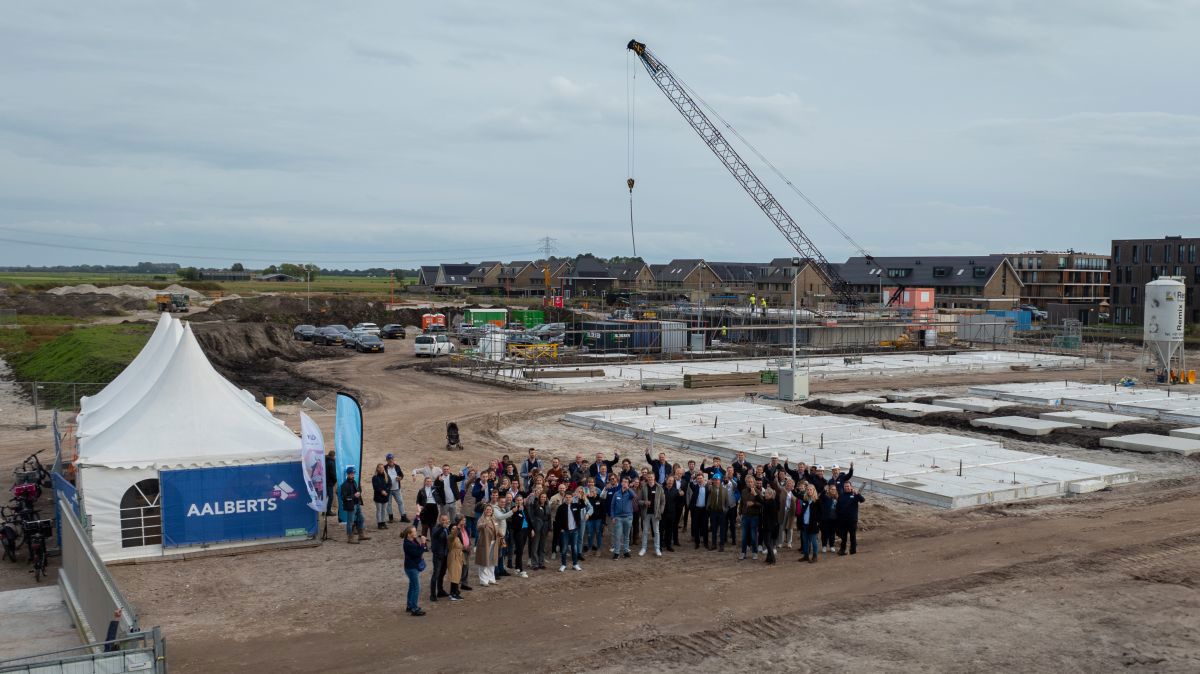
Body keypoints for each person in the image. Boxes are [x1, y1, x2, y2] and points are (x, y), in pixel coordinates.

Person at [553, 487, 586, 572]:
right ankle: (563, 564)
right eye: (566, 497)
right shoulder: (561, 507)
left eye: (570, 497)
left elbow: (583, 505)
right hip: (565, 531)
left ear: (572, 498)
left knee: (574, 548)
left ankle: (575, 564)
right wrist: (560, 529)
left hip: (574, 530)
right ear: (564, 498)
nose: (568, 499)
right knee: (564, 549)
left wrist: (580, 497)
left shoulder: (575, 505)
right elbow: (557, 520)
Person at [339, 467, 370, 544]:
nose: (353, 475)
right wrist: (354, 496)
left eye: (353, 474)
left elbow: (357, 490)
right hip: (350, 505)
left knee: (361, 519)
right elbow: (344, 498)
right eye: (351, 474)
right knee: (350, 522)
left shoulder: (354, 482)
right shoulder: (344, 485)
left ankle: (361, 535)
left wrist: (359, 492)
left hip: (357, 504)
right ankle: (350, 538)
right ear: (348, 474)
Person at [638, 472, 665, 557]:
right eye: (649, 477)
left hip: (656, 513)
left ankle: (657, 548)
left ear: (654, 478)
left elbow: (663, 501)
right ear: (647, 478)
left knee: (656, 531)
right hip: (646, 513)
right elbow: (639, 500)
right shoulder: (644, 487)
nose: (650, 479)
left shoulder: (659, 487)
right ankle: (643, 548)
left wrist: (660, 511)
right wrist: (644, 502)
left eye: (651, 477)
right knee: (645, 531)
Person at [402, 526, 427, 616]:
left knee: (412, 586)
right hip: (411, 568)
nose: (416, 532)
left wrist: (417, 516)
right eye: (414, 531)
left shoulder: (412, 540)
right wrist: (423, 544)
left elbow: (418, 551)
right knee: (416, 587)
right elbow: (417, 553)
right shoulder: (408, 544)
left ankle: (410, 605)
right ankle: (414, 608)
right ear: (409, 534)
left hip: (411, 567)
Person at [608, 476, 635, 559]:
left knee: (626, 536)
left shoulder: (630, 493)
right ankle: (616, 552)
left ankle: (626, 551)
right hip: (618, 518)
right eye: (623, 482)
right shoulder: (617, 493)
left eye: (626, 482)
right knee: (618, 536)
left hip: (628, 517)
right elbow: (612, 506)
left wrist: (628, 488)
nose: (625, 483)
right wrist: (613, 516)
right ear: (621, 483)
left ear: (628, 483)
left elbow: (634, 496)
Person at [836, 482, 865, 555]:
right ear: (843, 487)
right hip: (843, 520)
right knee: (843, 537)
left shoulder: (855, 495)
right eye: (845, 486)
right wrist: (838, 518)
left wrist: (857, 494)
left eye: (848, 486)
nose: (847, 487)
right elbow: (838, 508)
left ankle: (853, 550)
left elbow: (862, 500)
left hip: (852, 520)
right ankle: (842, 550)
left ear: (851, 487)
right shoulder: (841, 496)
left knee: (852, 536)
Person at [739, 476, 763, 561]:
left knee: (753, 536)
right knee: (744, 536)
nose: (750, 483)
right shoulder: (743, 491)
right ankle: (743, 552)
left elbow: (761, 503)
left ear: (754, 483)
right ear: (746, 483)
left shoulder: (757, 491)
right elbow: (741, 503)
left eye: (751, 482)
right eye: (748, 482)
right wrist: (740, 513)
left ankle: (754, 552)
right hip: (745, 516)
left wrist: (753, 504)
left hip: (754, 516)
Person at [475, 505, 500, 586]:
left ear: (492, 511)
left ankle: (491, 578)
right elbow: (478, 527)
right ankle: (483, 580)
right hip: (484, 543)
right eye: (487, 509)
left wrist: (502, 535)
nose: (489, 511)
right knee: (484, 561)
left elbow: (497, 530)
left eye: (490, 510)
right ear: (484, 510)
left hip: (493, 542)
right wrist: (483, 525)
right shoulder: (481, 519)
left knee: (492, 561)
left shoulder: (494, 519)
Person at [797, 484, 822, 563]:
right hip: (805, 524)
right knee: (805, 541)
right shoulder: (805, 500)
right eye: (808, 489)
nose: (809, 491)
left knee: (814, 541)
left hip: (813, 525)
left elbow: (821, 513)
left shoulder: (817, 501)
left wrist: (818, 522)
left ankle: (815, 556)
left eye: (811, 489)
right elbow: (803, 512)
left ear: (814, 490)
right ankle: (806, 556)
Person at [429, 514, 451, 602]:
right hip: (438, 555)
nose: (444, 521)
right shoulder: (435, 528)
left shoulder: (447, 529)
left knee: (442, 574)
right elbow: (435, 535)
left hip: (445, 555)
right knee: (436, 574)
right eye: (443, 520)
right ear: (439, 520)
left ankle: (440, 591)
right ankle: (432, 594)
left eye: (446, 520)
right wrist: (442, 527)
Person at [446, 516, 467, 601]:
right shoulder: (451, 537)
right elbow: (453, 535)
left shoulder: (457, 537)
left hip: (458, 557)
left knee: (457, 576)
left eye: (455, 529)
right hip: (454, 557)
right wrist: (457, 529)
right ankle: (453, 594)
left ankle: (454, 592)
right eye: (453, 529)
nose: (455, 530)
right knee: (455, 576)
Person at [527, 491, 550, 570]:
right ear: (539, 498)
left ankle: (541, 562)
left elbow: (549, 517)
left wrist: (549, 527)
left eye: (544, 497)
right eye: (541, 497)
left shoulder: (547, 506)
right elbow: (531, 517)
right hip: (536, 527)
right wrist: (532, 528)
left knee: (542, 546)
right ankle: (535, 564)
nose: (543, 498)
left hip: (545, 528)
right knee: (535, 546)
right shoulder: (535, 505)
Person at [383, 454, 408, 523]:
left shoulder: (397, 467)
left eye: (392, 459)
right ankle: (391, 518)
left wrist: (400, 478)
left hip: (397, 488)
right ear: (387, 460)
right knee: (389, 504)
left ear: (393, 459)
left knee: (400, 502)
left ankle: (403, 516)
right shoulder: (384, 468)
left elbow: (401, 475)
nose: (391, 460)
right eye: (389, 459)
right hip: (388, 489)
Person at [705, 476, 728, 551]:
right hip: (713, 511)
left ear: (720, 481)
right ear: (713, 481)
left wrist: (725, 510)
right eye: (715, 480)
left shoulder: (724, 490)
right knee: (714, 529)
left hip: (721, 512)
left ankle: (721, 545)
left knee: (722, 529)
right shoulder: (711, 488)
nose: (716, 481)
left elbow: (726, 502)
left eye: (718, 480)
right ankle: (714, 544)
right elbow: (706, 488)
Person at [510, 495, 530, 577]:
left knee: (520, 551)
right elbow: (514, 522)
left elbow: (528, 519)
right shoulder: (514, 509)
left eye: (520, 500)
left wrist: (531, 529)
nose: (519, 501)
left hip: (525, 531)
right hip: (518, 532)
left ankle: (517, 567)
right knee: (520, 550)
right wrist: (518, 511)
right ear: (515, 501)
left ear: (523, 500)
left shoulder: (525, 508)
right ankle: (521, 570)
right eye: (517, 500)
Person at [689, 472, 709, 550]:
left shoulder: (707, 487)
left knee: (705, 527)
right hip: (696, 509)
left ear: (703, 479)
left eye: (701, 478)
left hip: (704, 510)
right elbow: (691, 484)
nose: (700, 480)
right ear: (696, 480)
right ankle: (697, 543)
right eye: (698, 479)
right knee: (696, 526)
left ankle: (705, 542)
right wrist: (692, 477)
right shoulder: (695, 487)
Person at [761, 485, 779, 564]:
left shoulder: (771, 502)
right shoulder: (770, 502)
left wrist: (755, 494)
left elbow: (763, 503)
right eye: (765, 493)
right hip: (769, 525)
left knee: (767, 542)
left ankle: (773, 558)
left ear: (771, 495)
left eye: (767, 493)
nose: (765, 494)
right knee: (768, 542)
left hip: (769, 526)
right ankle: (769, 558)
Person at [820, 484, 839, 553]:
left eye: (834, 489)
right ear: (829, 490)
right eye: (832, 489)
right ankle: (824, 546)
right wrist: (824, 490)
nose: (833, 490)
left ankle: (832, 546)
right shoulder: (825, 497)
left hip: (834, 519)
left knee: (832, 533)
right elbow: (821, 496)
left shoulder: (837, 498)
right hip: (826, 518)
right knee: (825, 533)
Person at [371, 464, 391, 530]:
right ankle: (379, 523)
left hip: (385, 496)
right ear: (377, 469)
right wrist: (381, 491)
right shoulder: (375, 477)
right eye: (380, 468)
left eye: (382, 468)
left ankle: (383, 522)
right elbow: (375, 486)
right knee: (379, 510)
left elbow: (389, 484)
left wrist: (386, 491)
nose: (381, 469)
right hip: (378, 496)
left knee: (384, 510)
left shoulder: (386, 476)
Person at [324, 450, 337, 516]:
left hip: (325, 481)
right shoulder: (331, 463)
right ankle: (328, 511)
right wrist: (335, 481)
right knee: (331, 497)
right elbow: (333, 474)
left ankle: (324, 510)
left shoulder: (325, 460)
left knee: (326, 496)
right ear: (333, 456)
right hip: (329, 482)